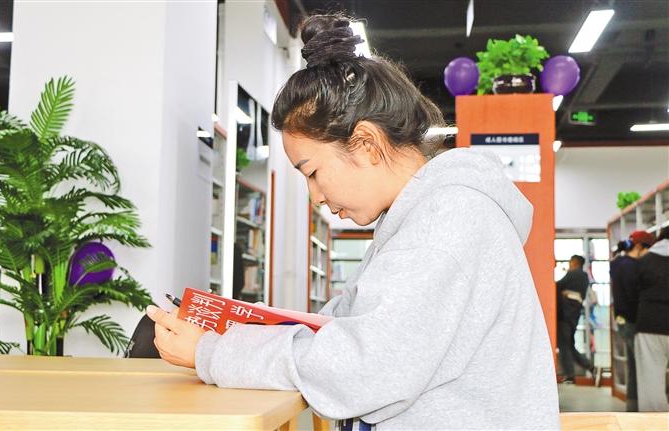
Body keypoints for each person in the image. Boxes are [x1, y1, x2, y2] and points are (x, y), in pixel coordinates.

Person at [146, 13, 559, 429]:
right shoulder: (418, 218)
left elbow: (362, 369)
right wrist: (249, 328)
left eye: (312, 172)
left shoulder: (446, 222)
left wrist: (213, 353)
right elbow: (343, 323)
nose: (315, 195)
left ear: (366, 143)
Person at [611, 230, 656, 410]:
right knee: (641, 366)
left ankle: (632, 406)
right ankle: (637, 408)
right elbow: (634, 296)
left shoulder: (618, 264)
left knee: (634, 365)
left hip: (622, 320)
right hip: (633, 321)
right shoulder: (633, 267)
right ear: (639, 246)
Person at [634, 227, 669, 412]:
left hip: (649, 324)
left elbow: (632, 294)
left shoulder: (644, 261)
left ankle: (654, 422)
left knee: (651, 379)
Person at [556, 255, 594, 383]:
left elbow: (558, 285)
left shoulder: (573, 274)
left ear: (574, 262)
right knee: (569, 345)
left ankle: (569, 374)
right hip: (574, 314)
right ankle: (590, 366)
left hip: (564, 314)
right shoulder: (584, 277)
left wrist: (563, 292)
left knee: (564, 344)